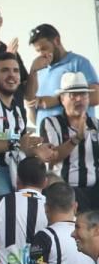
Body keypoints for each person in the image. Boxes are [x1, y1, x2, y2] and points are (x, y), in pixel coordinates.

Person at [0, 53, 44, 198]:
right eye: (5, 70)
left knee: (43, 197)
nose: (12, 75)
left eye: (15, 71)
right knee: (6, 203)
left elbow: (20, 142)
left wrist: (36, 150)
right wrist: (14, 144)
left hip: (18, 168)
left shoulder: (17, 102)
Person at [40, 72, 99, 210]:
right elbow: (51, 157)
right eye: (73, 95)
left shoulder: (96, 124)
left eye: (84, 94)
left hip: (95, 190)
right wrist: (76, 138)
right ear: (62, 99)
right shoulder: (51, 123)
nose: (79, 99)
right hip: (64, 191)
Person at [25, 23, 99, 127]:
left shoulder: (79, 63)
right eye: (38, 51)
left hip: (76, 138)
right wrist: (31, 106)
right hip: (47, 139)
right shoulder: (39, 72)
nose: (42, 54)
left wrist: (58, 100)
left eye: (44, 48)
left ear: (57, 41)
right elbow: (35, 121)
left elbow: (96, 96)